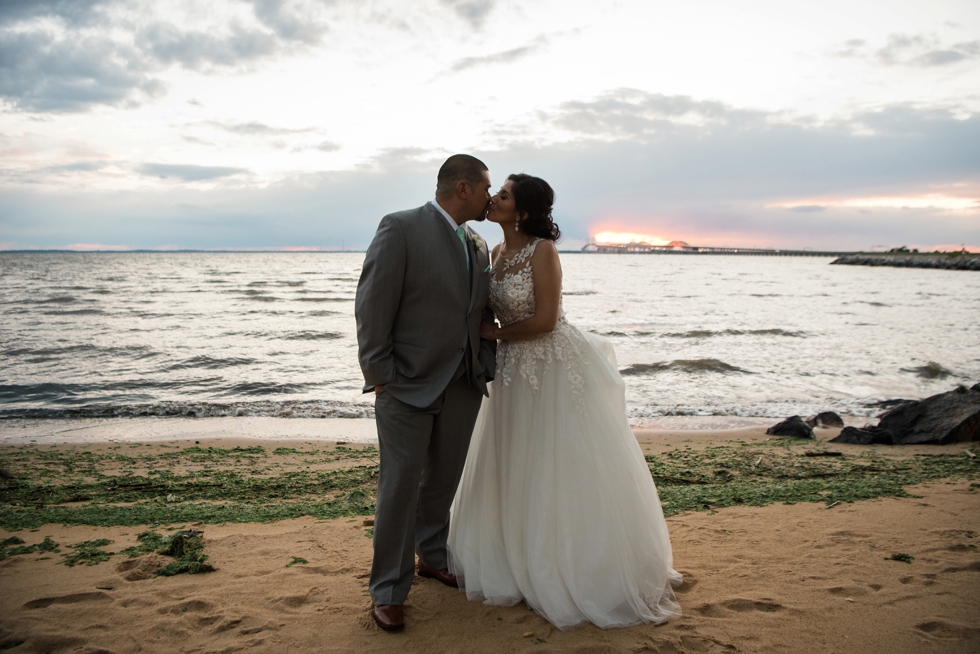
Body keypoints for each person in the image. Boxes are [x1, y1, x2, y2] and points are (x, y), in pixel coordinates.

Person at [447, 174, 682, 630]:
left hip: (551, 365)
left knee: (561, 462)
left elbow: (547, 319)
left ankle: (575, 564)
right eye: (496, 192)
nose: (493, 199)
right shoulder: (494, 254)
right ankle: (516, 559)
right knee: (517, 461)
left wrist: (493, 333)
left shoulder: (544, 251)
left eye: (504, 195)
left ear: (525, 211)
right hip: (512, 372)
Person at [355, 154, 497, 632]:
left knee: (442, 481)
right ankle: (388, 590)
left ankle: (432, 555)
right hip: (405, 384)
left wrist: (484, 367)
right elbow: (372, 303)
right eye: (485, 189)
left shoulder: (478, 243)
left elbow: (478, 316)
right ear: (463, 188)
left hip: (462, 384)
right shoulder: (400, 228)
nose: (489, 197)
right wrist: (380, 374)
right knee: (399, 487)